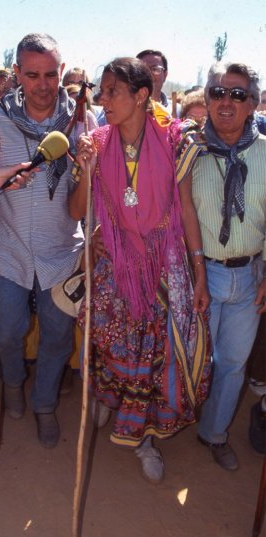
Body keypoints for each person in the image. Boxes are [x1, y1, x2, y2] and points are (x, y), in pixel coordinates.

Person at [71, 57, 212, 483]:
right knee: (111, 346)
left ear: (141, 95)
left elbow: (186, 208)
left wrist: (198, 270)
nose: (103, 99)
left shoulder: (175, 141)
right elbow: (76, 210)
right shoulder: (95, 141)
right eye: (102, 91)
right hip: (114, 264)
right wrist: (86, 171)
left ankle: (144, 438)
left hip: (164, 268)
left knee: (155, 356)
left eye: (113, 91)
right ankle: (105, 401)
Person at [0, 33, 84, 449]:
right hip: (7, 250)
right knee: (8, 333)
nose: (43, 85)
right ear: (16, 75)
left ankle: (44, 404)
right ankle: (13, 385)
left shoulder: (82, 121)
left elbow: (95, 187)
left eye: (51, 74)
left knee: (58, 335)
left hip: (63, 253)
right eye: (33, 75)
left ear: (61, 72)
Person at [180, 62, 266, 471]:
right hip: (203, 272)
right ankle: (170, 424)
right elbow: (184, 212)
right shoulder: (189, 151)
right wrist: (197, 271)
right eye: (217, 92)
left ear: (252, 103)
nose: (225, 102)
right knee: (192, 357)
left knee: (233, 363)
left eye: (237, 94)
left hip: (251, 276)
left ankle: (213, 433)